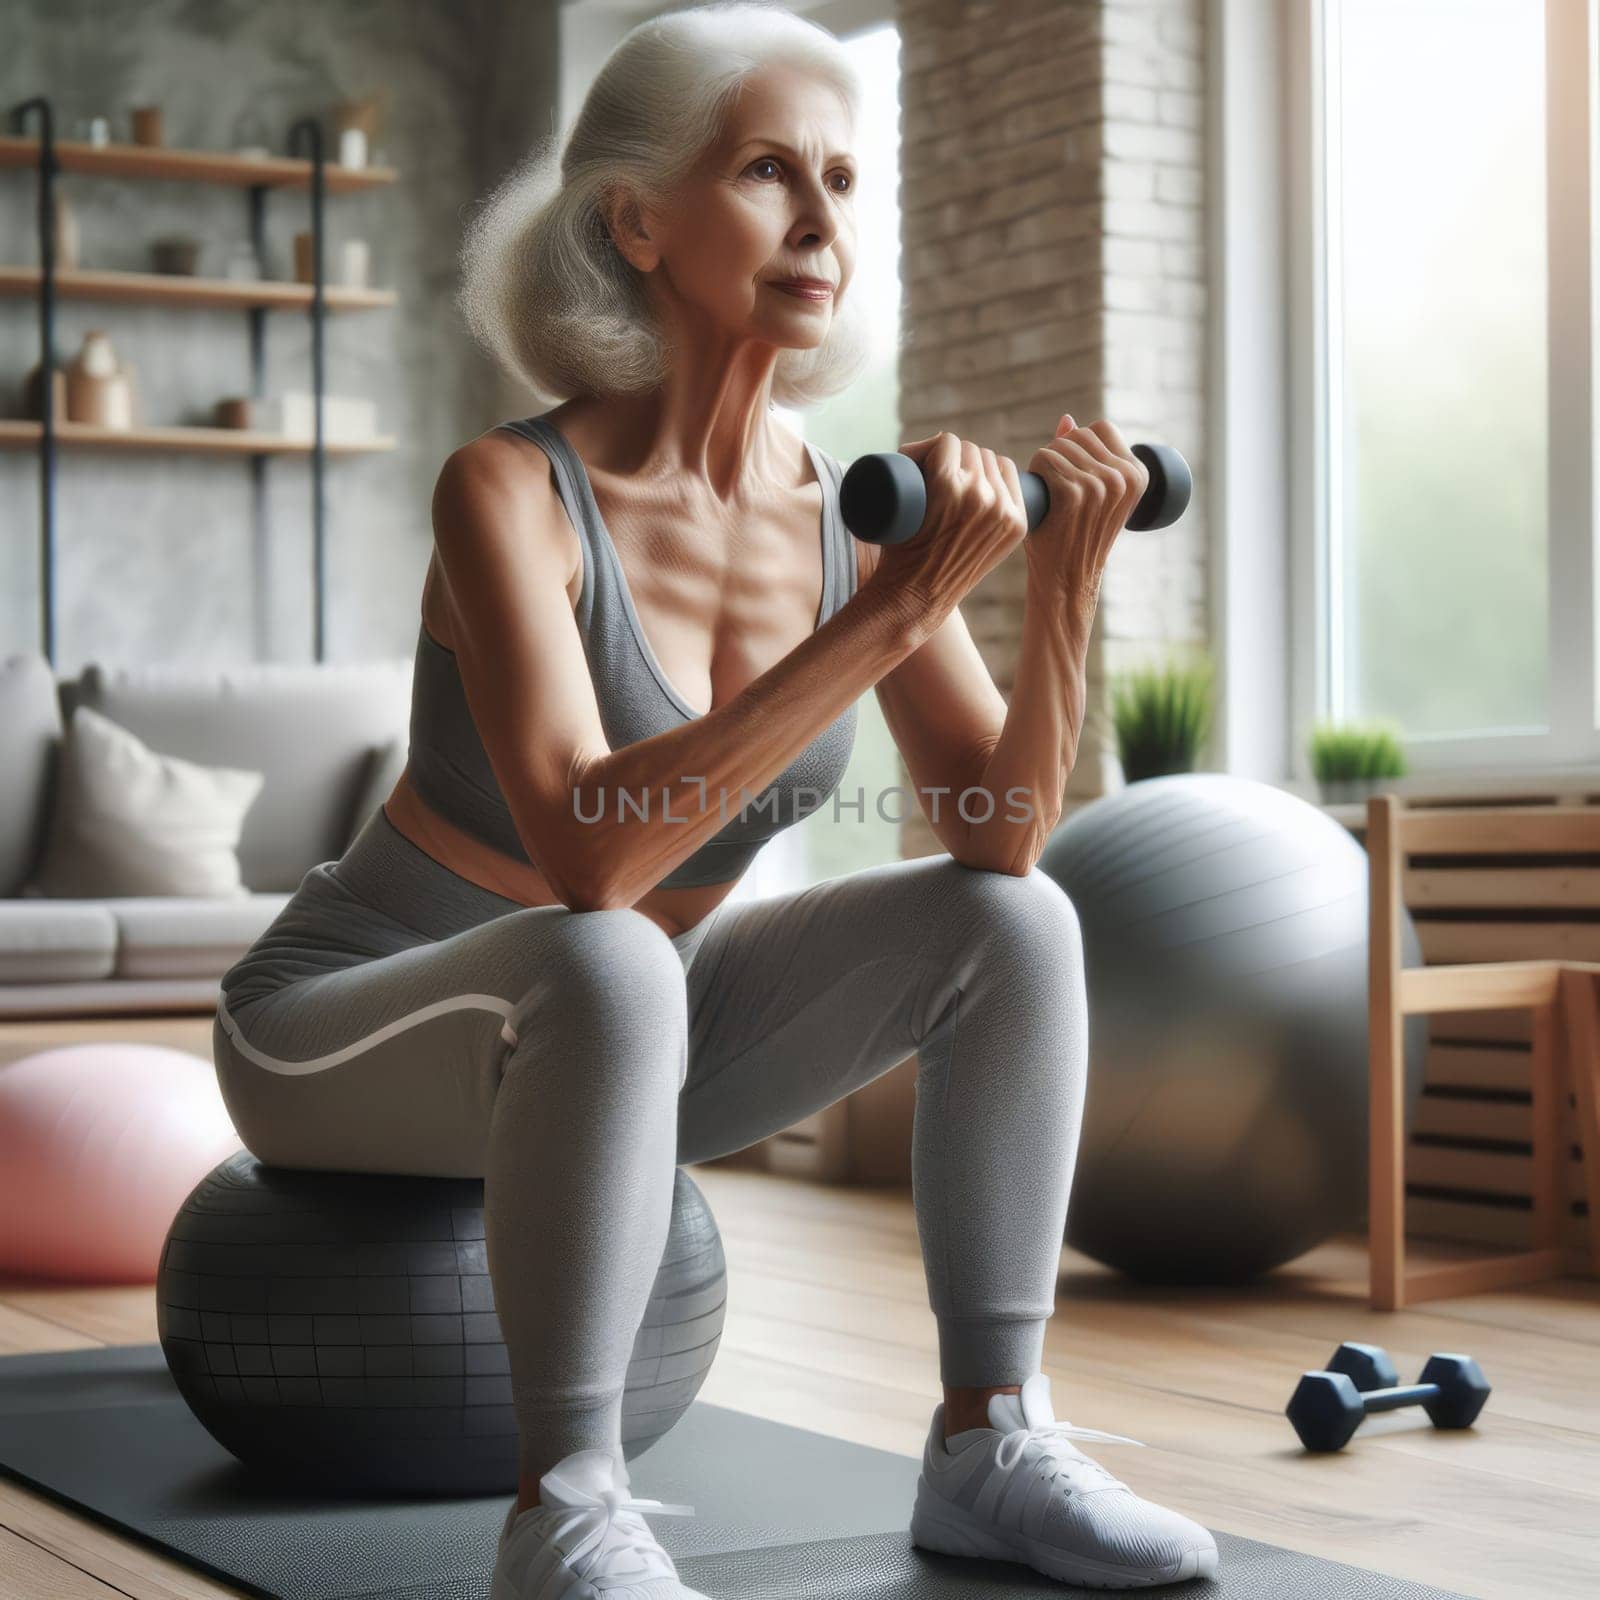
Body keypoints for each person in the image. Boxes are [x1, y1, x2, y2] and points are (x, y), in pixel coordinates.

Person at [211, 3, 1218, 1594]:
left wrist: (1067, 596)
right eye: (768, 173)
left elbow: (999, 833)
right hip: (344, 1016)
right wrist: (883, 620)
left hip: (621, 1036)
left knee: (1017, 924)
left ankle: (990, 1438)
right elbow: (587, 860)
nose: (823, 223)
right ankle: (567, 1507)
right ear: (636, 220)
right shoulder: (510, 491)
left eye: (841, 179)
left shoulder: (848, 513)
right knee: (607, 951)